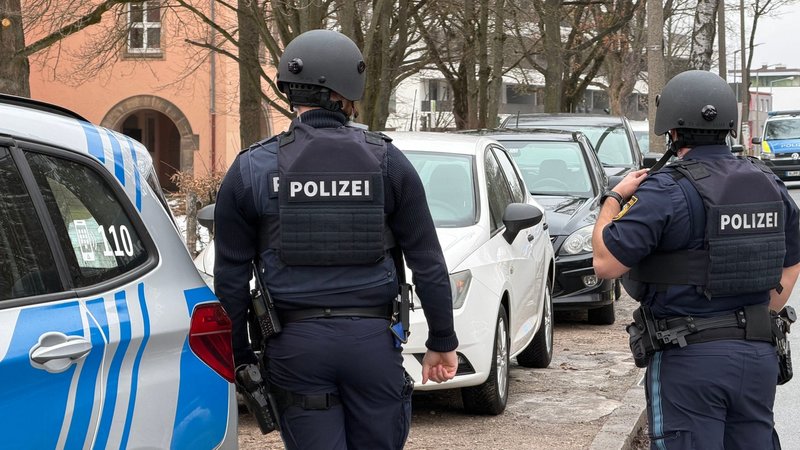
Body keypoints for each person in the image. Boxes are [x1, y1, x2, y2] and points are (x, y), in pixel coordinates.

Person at [213, 29, 458, 450]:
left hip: (294, 348)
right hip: (371, 344)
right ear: (349, 89)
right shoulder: (388, 160)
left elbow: (231, 279)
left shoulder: (250, 168)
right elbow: (428, 261)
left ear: (291, 90)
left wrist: (241, 357)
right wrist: (442, 341)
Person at [592, 70, 800, 449]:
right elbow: (792, 262)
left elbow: (605, 262)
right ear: (728, 126)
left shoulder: (664, 190)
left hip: (689, 358)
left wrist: (613, 198)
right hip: (757, 356)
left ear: (672, 130)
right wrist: (749, 310)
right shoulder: (768, 182)